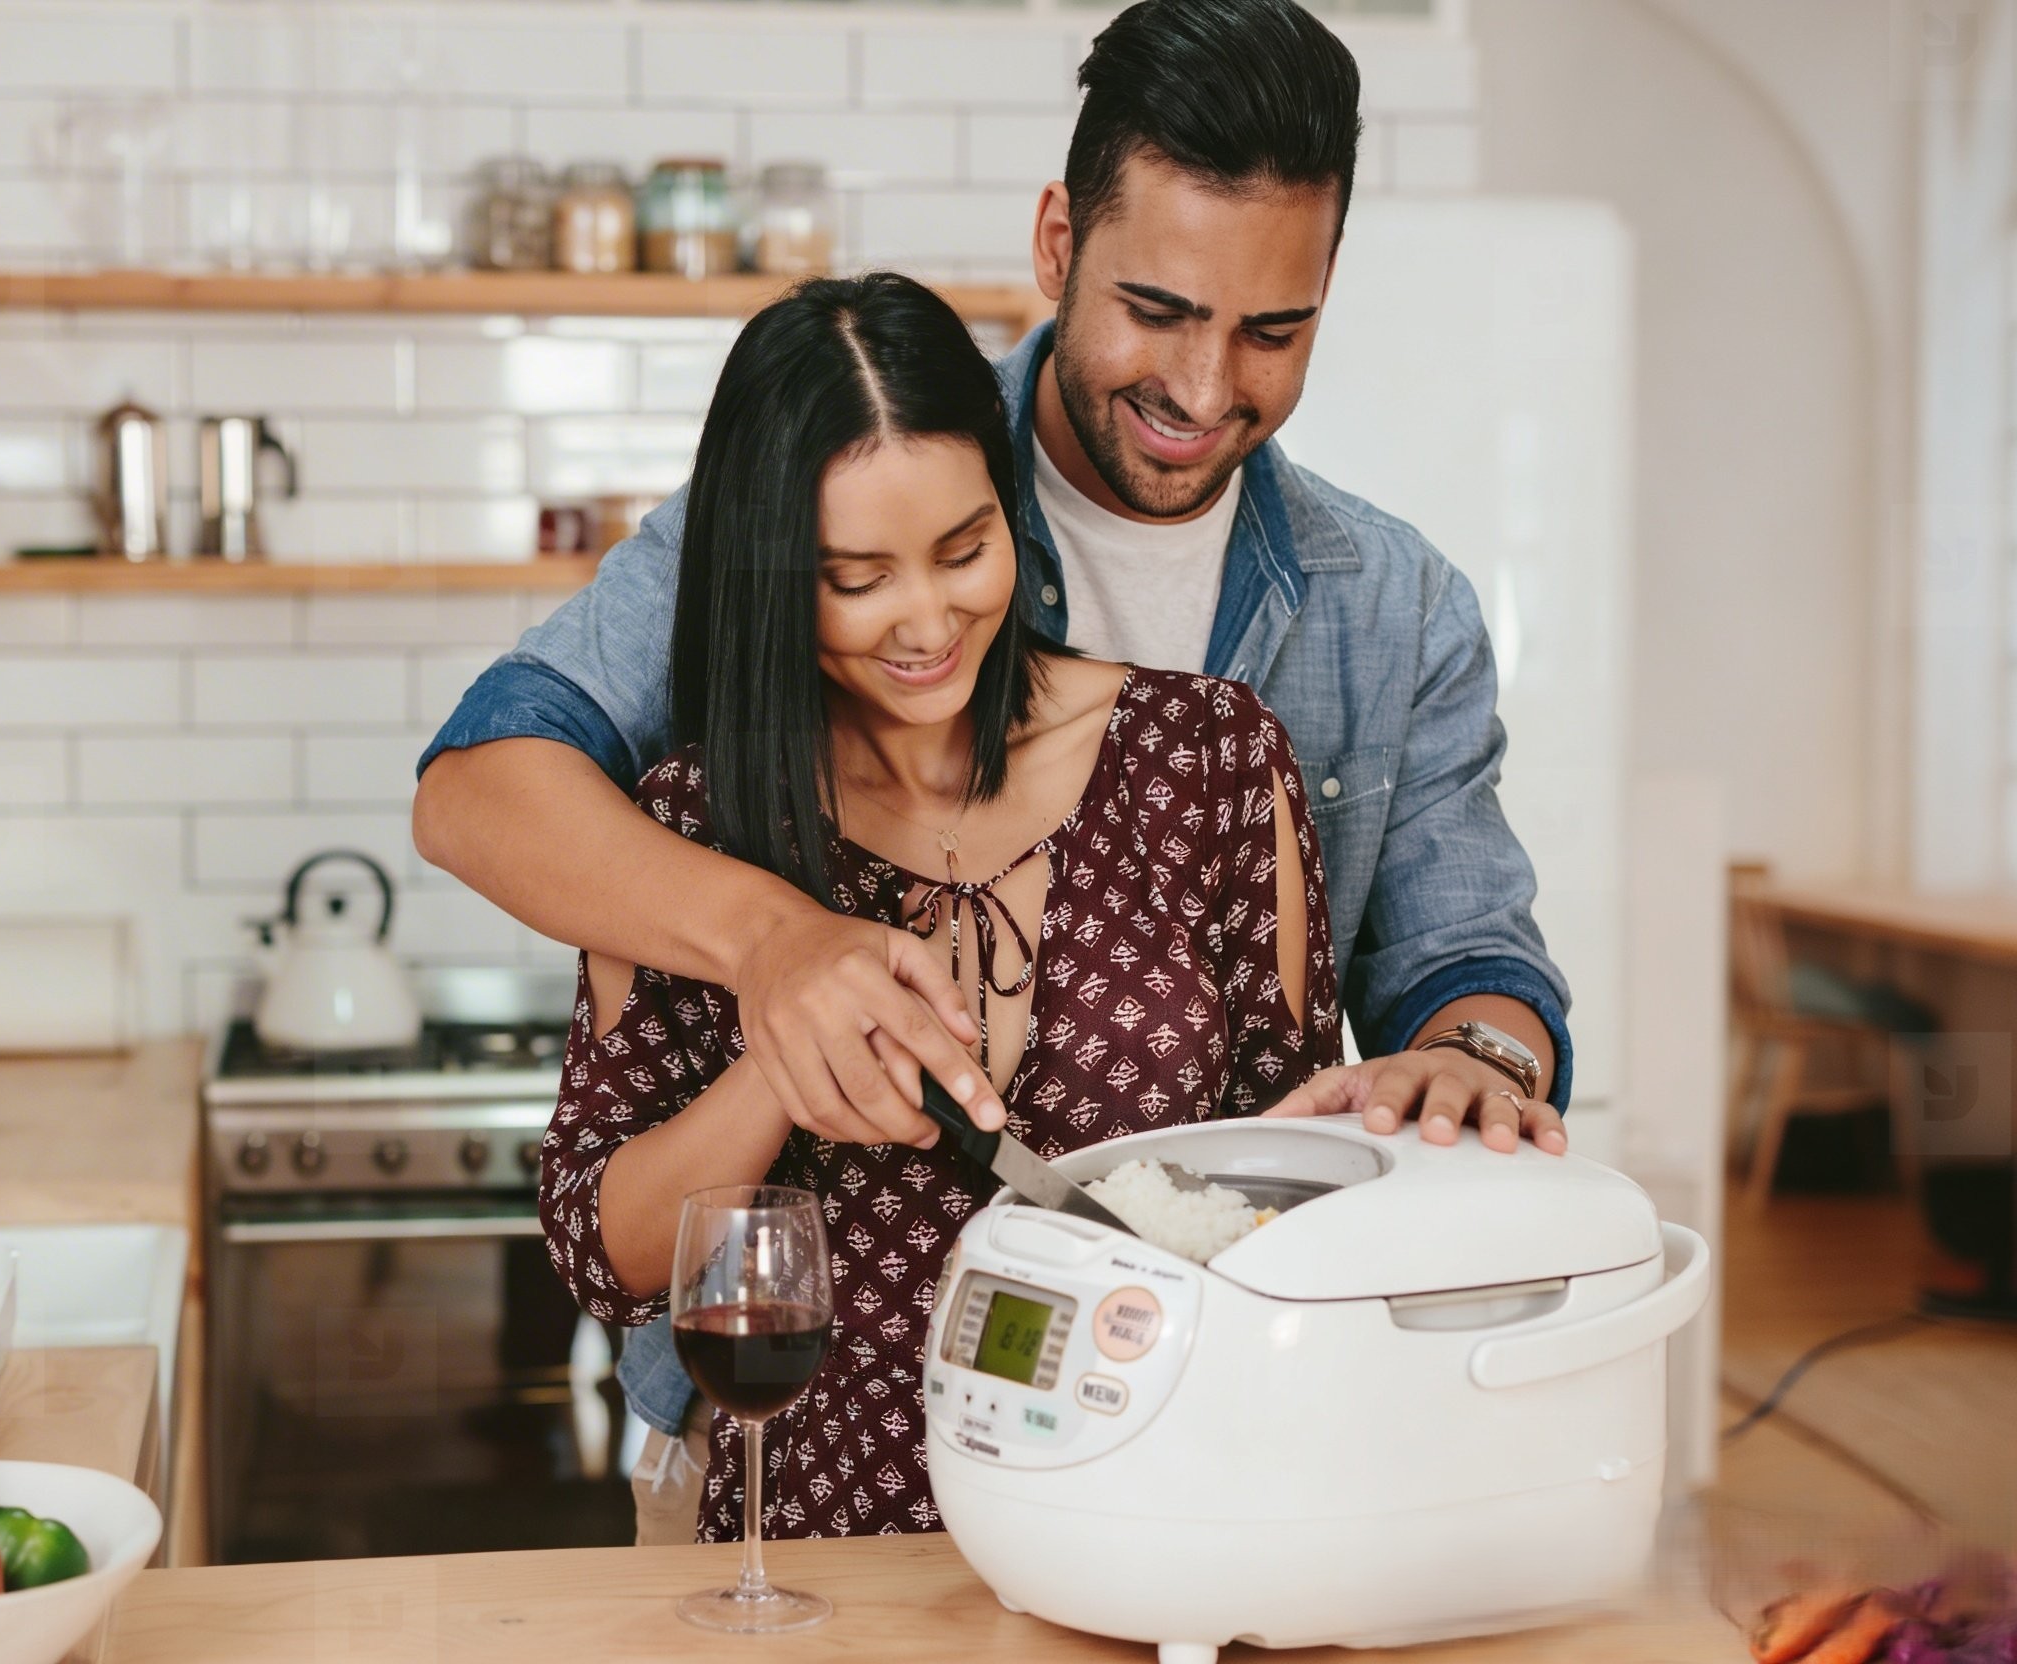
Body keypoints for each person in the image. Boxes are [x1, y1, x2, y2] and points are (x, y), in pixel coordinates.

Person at [417, 0, 1570, 1543]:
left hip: (1166, 1473)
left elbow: (1461, 966)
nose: (1208, 384)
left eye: (1273, 330)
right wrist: (776, 949)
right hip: (776, 1480)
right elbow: (481, 786)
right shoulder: (831, 470)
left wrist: (1471, 1068)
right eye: (1157, 308)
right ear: (1055, 240)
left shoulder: (1381, 618)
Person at [540, 270, 1343, 1541]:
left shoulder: (1211, 760)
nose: (929, 619)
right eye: (857, 577)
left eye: (965, 550)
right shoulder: (691, 826)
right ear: (772, 575)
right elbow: (606, 1250)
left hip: (1156, 1538)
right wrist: (781, 1056)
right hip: (825, 1562)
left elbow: (1299, 1173)